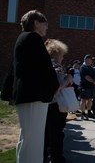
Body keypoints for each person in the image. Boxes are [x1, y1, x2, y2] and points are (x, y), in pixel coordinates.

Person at [0, 10, 59, 163]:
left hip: (27, 94)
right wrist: (54, 86)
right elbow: (44, 66)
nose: (46, 27)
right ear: (36, 23)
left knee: (27, 137)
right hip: (34, 95)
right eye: (45, 23)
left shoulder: (22, 38)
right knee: (34, 139)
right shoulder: (33, 38)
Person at [44, 39, 72, 163]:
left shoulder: (44, 63)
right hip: (56, 105)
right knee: (56, 133)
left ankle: (45, 156)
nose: (62, 57)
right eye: (62, 55)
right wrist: (68, 78)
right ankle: (57, 158)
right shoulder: (56, 65)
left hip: (46, 104)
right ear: (57, 53)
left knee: (46, 133)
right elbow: (58, 86)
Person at [79, 54, 95, 120]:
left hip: (91, 86)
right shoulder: (83, 67)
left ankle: (89, 112)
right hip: (84, 86)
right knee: (83, 100)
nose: (92, 61)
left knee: (90, 100)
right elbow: (86, 77)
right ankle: (83, 113)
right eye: (91, 59)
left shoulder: (91, 68)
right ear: (87, 60)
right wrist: (93, 81)